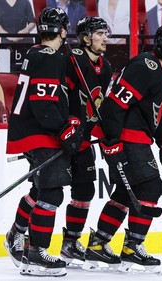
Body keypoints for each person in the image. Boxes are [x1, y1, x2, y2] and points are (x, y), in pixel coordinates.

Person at [81, 24, 162, 273]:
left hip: (137, 138)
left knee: (123, 194)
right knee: (150, 189)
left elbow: (154, 118)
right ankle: (132, 249)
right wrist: (112, 142)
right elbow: (112, 107)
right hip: (125, 138)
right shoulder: (144, 67)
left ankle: (98, 246)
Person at [4, 7, 83, 277]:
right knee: (52, 193)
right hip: (41, 132)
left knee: (41, 190)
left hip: (29, 130)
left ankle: (16, 233)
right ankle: (36, 253)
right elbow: (44, 103)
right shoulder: (51, 57)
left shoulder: (35, 53)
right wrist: (65, 130)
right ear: (63, 30)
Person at [59, 16, 114, 267]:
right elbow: (60, 96)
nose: (105, 37)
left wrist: (103, 132)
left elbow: (99, 104)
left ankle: (70, 242)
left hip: (84, 138)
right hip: (61, 136)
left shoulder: (107, 67)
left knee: (84, 191)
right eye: (99, 33)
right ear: (85, 38)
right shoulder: (72, 60)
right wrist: (69, 123)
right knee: (45, 190)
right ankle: (19, 233)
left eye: (105, 32)